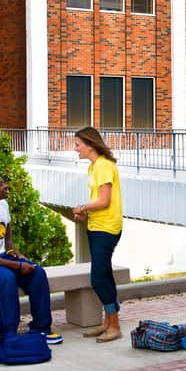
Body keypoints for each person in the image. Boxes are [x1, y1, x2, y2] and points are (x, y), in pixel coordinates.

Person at [0, 173, 63, 345]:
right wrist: (16, 265)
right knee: (6, 278)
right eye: (0, 184)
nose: (5, 186)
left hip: (0, 257)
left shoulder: (3, 205)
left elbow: (6, 232)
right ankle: (8, 334)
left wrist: (13, 251)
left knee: (37, 272)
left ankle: (41, 329)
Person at [72, 127, 124, 343]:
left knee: (98, 277)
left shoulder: (103, 166)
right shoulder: (94, 167)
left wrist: (82, 207)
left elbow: (104, 201)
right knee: (104, 275)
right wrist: (86, 213)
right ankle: (108, 322)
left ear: (90, 145)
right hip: (96, 225)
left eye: (77, 144)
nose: (75, 149)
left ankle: (115, 325)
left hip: (107, 227)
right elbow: (97, 200)